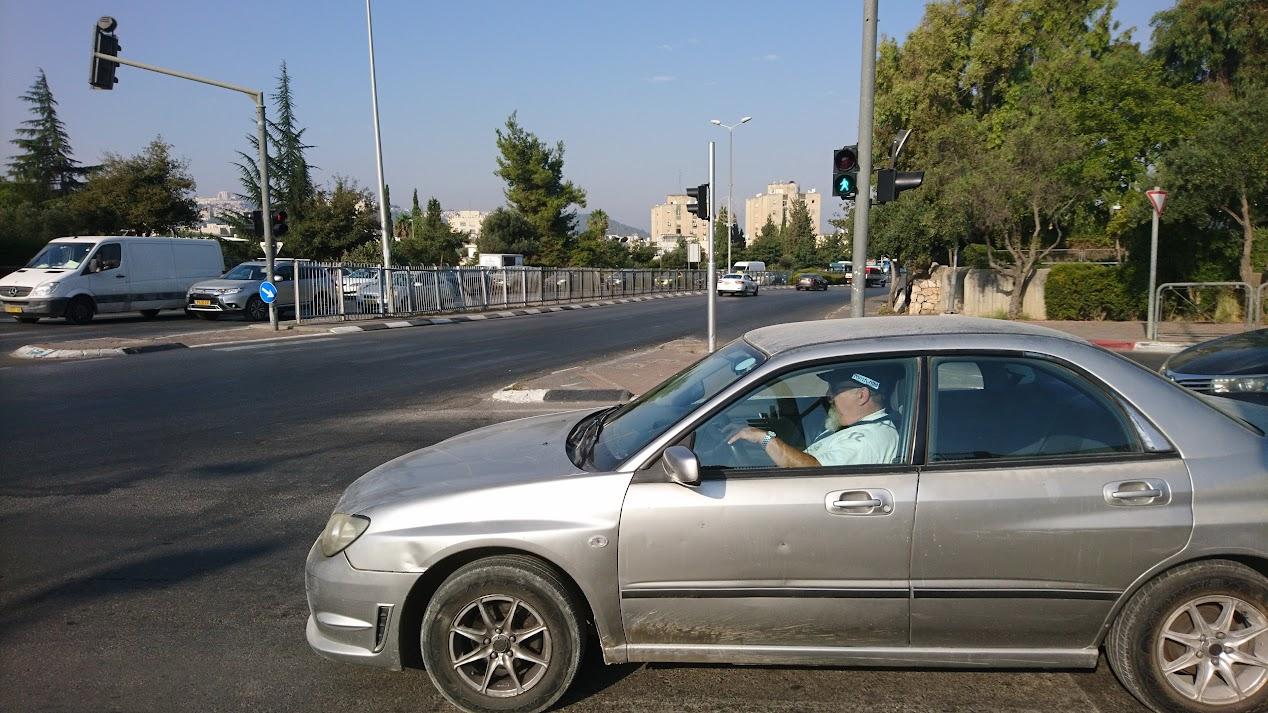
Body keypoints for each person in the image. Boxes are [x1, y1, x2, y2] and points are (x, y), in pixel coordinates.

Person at [728, 365, 900, 467]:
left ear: (862, 395)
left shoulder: (866, 441)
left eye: (835, 388)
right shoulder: (858, 427)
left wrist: (763, 438)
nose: (829, 395)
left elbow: (814, 471)